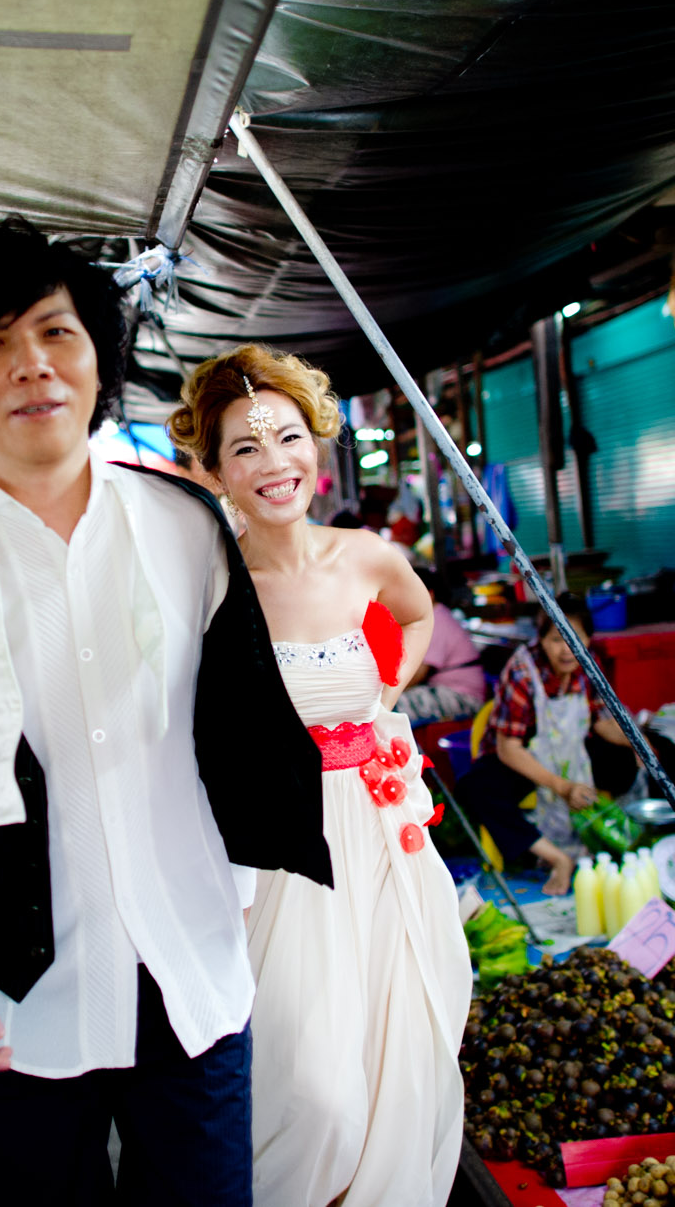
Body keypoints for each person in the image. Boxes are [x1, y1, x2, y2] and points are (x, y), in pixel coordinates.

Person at [0, 218, 329, 1205]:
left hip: (192, 989)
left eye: (56, 331)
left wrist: (231, 891)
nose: (31, 365)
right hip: (15, 1009)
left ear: (99, 358)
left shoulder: (186, 526)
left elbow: (233, 732)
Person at [169, 344, 472, 1207]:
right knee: (311, 1090)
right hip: (278, 855)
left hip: (380, 843)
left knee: (401, 1054)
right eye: (245, 448)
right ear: (217, 470)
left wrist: (390, 686)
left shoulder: (366, 556)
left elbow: (417, 614)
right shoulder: (209, 587)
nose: (275, 463)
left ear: (318, 444)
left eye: (289, 437)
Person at [451, 596, 631, 895]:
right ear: (542, 640)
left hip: (573, 752)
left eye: (574, 639)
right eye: (555, 640)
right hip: (522, 756)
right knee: (476, 788)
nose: (565, 650)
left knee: (628, 760)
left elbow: (600, 720)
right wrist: (561, 787)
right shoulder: (522, 671)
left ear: (588, 638)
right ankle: (556, 857)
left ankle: (620, 845)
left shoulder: (589, 663)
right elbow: (509, 748)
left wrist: (641, 744)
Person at [398, 568, 489, 726]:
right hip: (445, 690)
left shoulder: (436, 620)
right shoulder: (430, 618)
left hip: (462, 696)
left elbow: (418, 673)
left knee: (394, 706)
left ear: (430, 594)